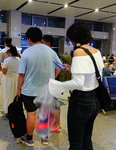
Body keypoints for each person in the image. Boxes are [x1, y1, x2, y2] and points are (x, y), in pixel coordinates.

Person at [48, 22, 104, 150]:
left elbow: (78, 83)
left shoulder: (79, 52)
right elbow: (93, 74)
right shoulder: (96, 51)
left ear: (74, 37)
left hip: (80, 101)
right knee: (86, 139)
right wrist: (72, 68)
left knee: (76, 142)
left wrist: (55, 84)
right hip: (94, 100)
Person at [17, 27, 62, 146]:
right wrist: (52, 78)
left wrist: (18, 89)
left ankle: (30, 139)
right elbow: (60, 67)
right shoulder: (50, 51)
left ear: (29, 39)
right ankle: (45, 138)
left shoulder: (26, 52)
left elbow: (21, 74)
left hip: (29, 90)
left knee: (31, 114)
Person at [41, 34, 63, 133]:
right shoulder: (48, 53)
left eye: (42, 43)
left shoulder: (51, 53)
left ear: (48, 43)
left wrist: (52, 77)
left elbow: (60, 67)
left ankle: (57, 124)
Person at [0, 45, 20, 116]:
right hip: (16, 78)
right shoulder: (19, 59)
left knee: (7, 94)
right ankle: (15, 110)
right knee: (14, 95)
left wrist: (1, 67)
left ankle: (8, 110)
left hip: (7, 79)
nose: (6, 53)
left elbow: (4, 71)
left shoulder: (7, 60)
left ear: (9, 52)